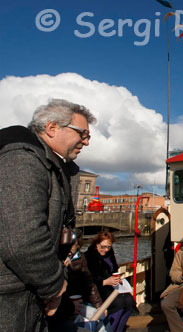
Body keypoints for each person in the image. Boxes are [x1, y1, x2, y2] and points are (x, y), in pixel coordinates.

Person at [0, 99, 95, 332]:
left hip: (27, 294)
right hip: (11, 298)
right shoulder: (21, 160)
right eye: (82, 133)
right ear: (52, 128)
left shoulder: (53, 165)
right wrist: (54, 286)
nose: (86, 142)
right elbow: (23, 240)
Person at [85, 231, 136, 332]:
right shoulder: (89, 256)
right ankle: (110, 329)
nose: (105, 250)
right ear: (97, 244)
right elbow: (90, 280)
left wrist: (117, 278)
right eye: (103, 247)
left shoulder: (109, 253)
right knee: (119, 303)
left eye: (108, 247)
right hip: (98, 289)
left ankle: (119, 329)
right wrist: (105, 282)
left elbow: (114, 269)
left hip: (111, 287)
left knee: (129, 300)